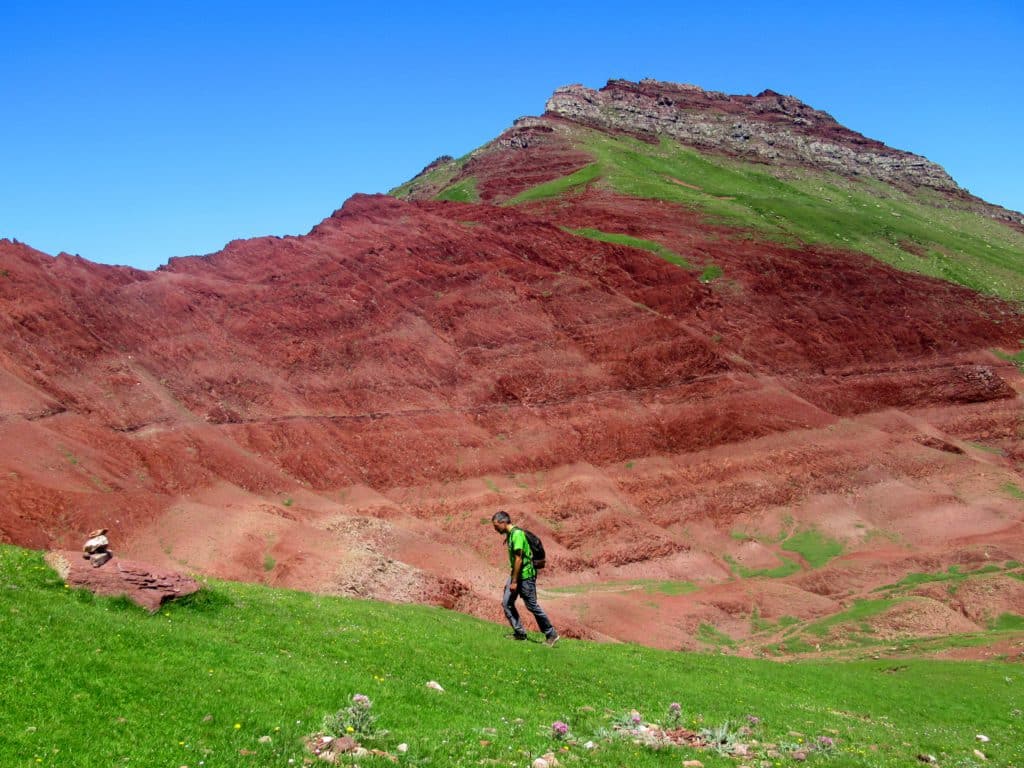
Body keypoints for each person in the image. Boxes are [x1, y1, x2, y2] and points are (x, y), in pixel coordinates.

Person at [491, 510, 559, 646]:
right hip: (516, 574)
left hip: (525, 575)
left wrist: (514, 581)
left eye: (496, 526)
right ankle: (520, 633)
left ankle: (551, 634)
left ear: (503, 522)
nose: (495, 529)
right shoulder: (510, 535)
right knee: (506, 602)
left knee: (532, 606)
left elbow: (518, 559)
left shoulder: (517, 535)